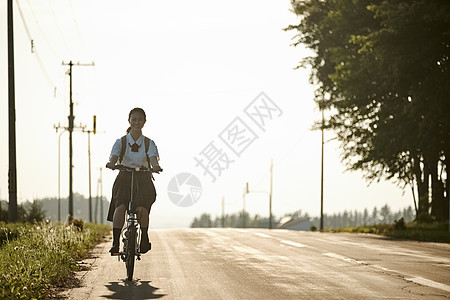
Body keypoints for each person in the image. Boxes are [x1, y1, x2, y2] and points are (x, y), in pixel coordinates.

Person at [106, 107, 162, 255]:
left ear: (144, 122)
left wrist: (155, 166)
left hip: (143, 178)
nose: (137, 122)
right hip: (124, 176)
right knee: (120, 206)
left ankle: (144, 236)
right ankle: (115, 243)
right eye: (134, 119)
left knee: (143, 207)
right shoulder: (121, 141)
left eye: (140, 120)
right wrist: (111, 163)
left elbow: (153, 158)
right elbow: (113, 155)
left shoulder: (149, 143)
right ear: (129, 121)